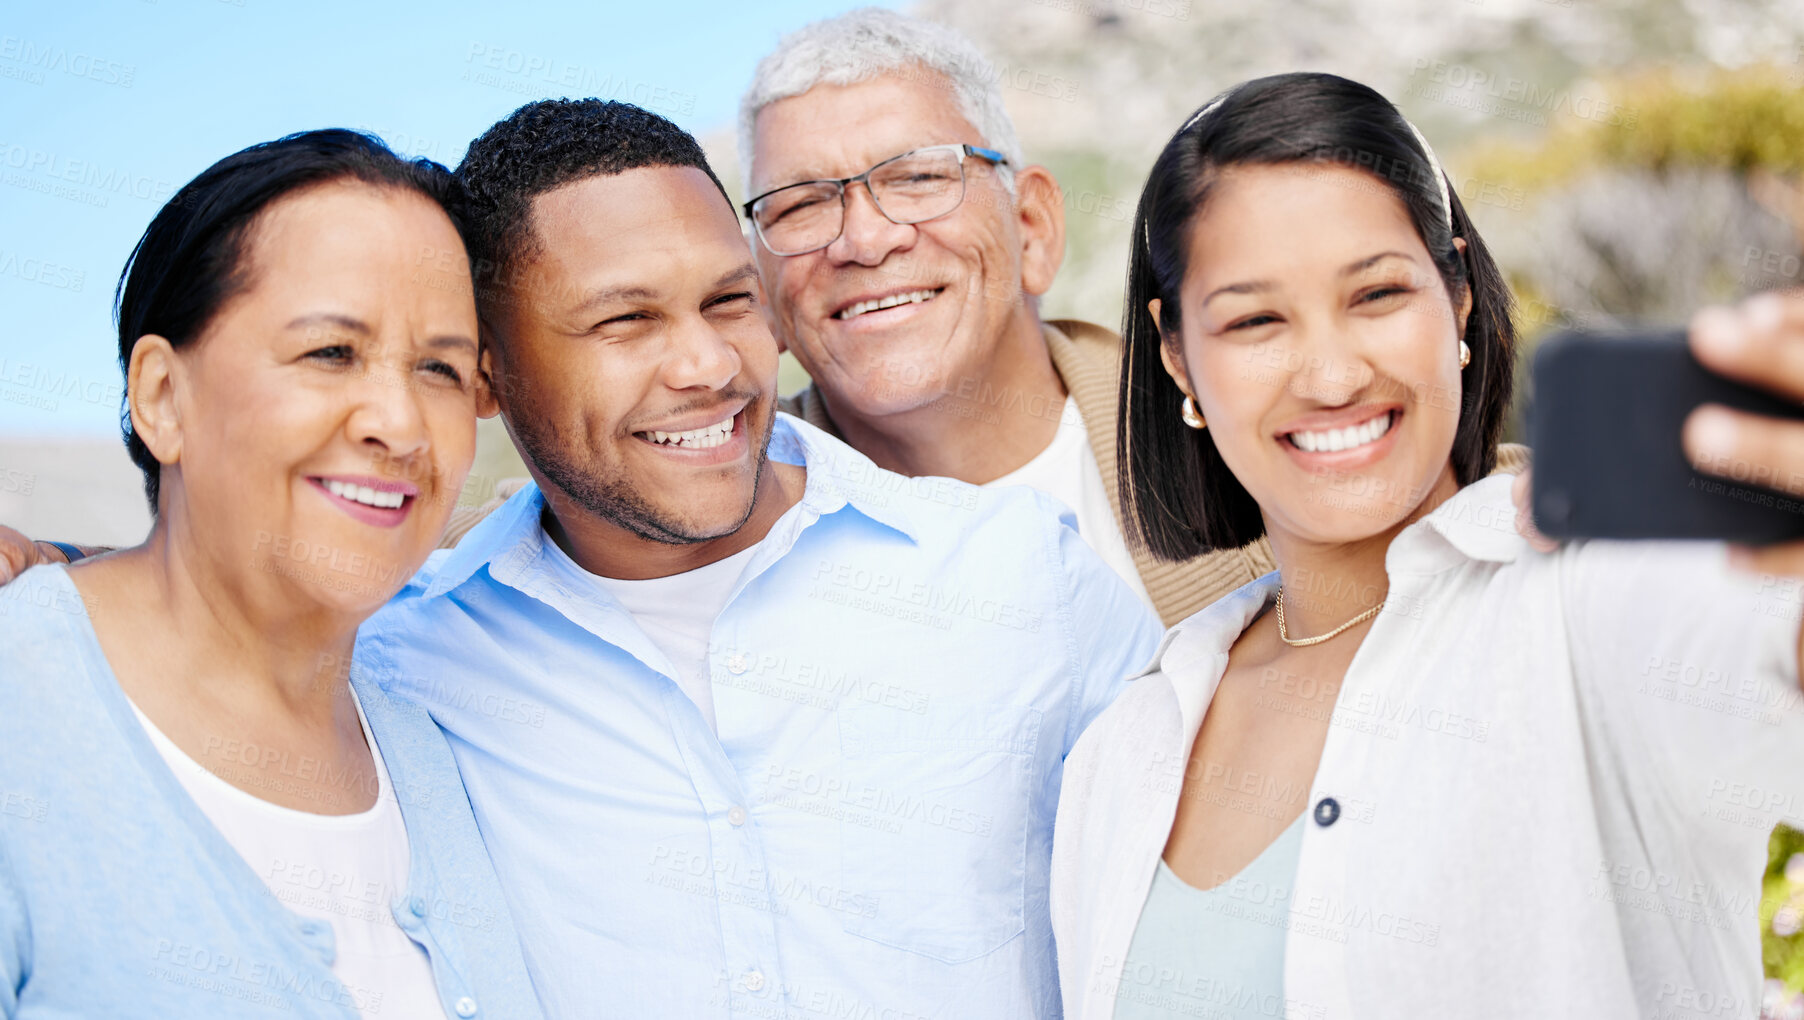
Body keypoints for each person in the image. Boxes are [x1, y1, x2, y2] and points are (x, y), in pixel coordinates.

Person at [347, 99, 1161, 1018]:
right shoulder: (402, 668)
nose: (706, 365)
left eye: (729, 301)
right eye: (625, 322)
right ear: (487, 372)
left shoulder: (1018, 578)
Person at [1049, 73, 1804, 1020]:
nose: (1331, 374)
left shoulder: (1591, 600)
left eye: (1376, 293)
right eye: (1254, 320)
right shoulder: (1124, 750)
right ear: (1176, 359)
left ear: (1456, 301)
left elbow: (1763, 649)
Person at [0, 131, 541, 1018]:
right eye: (331, 352)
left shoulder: (443, 725)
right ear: (163, 399)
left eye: (439, 368)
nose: (401, 423)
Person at [734, 7, 1268, 623]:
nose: (864, 240)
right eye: (799, 205)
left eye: (917, 175)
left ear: (1032, 229)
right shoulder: (712, 540)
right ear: (760, 292)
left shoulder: (1256, 452)